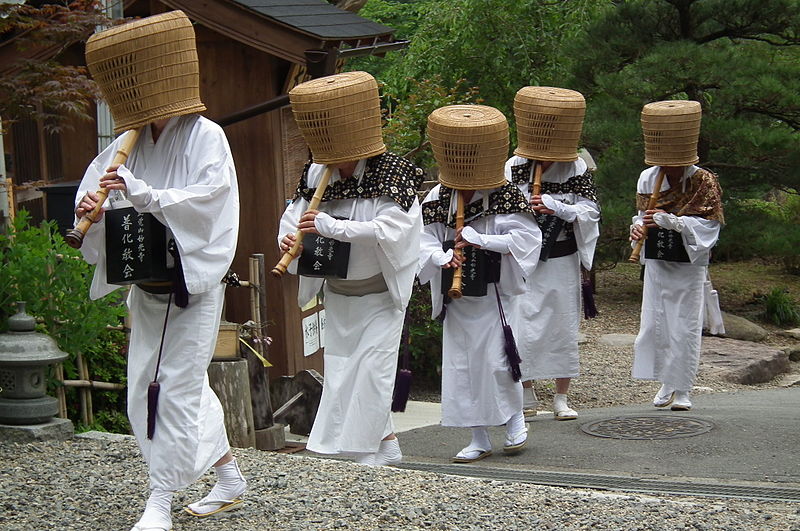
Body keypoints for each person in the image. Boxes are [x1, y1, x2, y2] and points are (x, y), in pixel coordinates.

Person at [73, 12, 244, 531]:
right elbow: (91, 196)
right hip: (146, 287)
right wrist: (91, 212)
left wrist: (145, 194)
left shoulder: (205, 135)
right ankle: (230, 476)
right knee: (148, 386)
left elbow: (211, 201)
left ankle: (160, 499)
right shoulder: (126, 140)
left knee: (173, 389)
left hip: (191, 287)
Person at [278, 71, 424, 466]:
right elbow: (293, 216)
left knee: (372, 371)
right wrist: (289, 239)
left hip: (379, 294)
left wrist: (332, 227)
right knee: (343, 371)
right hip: (339, 292)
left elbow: (392, 230)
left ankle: (364, 456)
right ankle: (386, 444)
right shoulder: (316, 171)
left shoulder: (391, 171)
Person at [418, 104, 541, 463]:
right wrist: (443, 256)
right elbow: (421, 241)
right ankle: (479, 435)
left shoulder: (506, 195)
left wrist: (482, 240)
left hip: (496, 295)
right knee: (463, 366)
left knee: (499, 361)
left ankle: (515, 419)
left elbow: (528, 241)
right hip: (459, 299)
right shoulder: (439, 197)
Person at [506, 86, 601, 421]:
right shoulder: (514, 165)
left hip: (561, 255)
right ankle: (527, 391)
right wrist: (526, 210)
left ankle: (561, 397)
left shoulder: (575, 166)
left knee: (562, 323)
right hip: (525, 257)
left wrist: (556, 206)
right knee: (525, 321)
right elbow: (501, 212)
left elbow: (590, 213)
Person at [630, 100, 724, 411]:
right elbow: (641, 215)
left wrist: (675, 222)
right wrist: (637, 228)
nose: (667, 168)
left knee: (684, 323)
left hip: (688, 264)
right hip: (659, 259)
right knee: (658, 322)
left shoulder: (703, 180)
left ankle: (684, 387)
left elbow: (709, 228)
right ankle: (665, 381)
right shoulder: (648, 177)